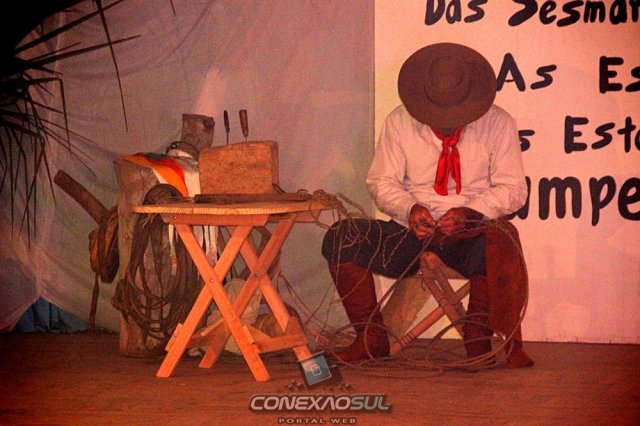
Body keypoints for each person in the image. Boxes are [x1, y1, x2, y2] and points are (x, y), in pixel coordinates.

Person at [322, 42, 534, 368]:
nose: (447, 122)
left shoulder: (498, 123)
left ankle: (477, 335)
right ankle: (370, 337)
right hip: (408, 232)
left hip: (469, 234)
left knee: (499, 246)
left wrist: (470, 213)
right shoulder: (399, 121)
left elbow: (514, 189)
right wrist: (410, 209)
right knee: (342, 237)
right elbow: (381, 181)